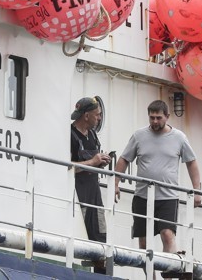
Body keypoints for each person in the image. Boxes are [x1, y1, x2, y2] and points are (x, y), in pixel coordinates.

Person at [114, 100, 202, 257]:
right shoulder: (139, 136)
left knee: (167, 235)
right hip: (142, 196)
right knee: (143, 243)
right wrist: (115, 183)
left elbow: (191, 162)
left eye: (158, 118)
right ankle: (151, 276)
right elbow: (124, 159)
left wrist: (197, 191)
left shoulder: (179, 138)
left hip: (168, 197)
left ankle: (168, 270)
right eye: (151, 117)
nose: (155, 121)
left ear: (167, 116)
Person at [70, 97, 111, 274]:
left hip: (94, 194)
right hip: (78, 195)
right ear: (86, 115)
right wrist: (93, 162)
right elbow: (66, 167)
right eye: (97, 115)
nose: (99, 118)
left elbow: (91, 162)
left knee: (102, 238)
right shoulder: (69, 135)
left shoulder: (93, 135)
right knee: (80, 236)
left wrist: (100, 161)